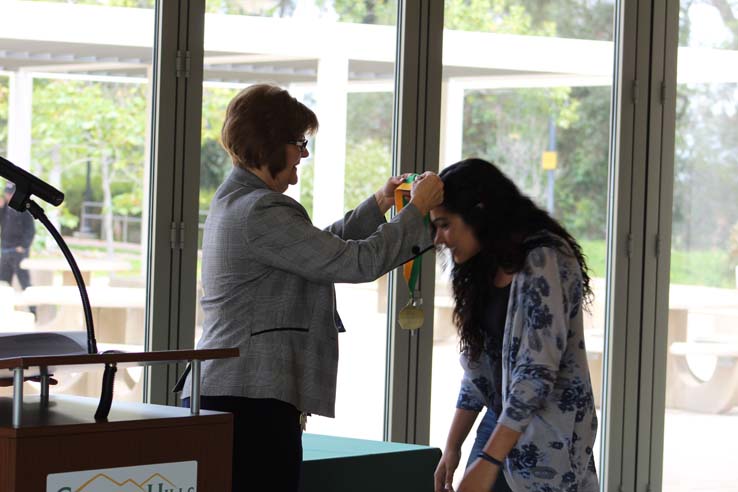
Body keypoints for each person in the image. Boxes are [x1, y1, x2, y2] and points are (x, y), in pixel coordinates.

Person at [179, 83, 443, 492]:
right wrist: (416, 212)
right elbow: (355, 262)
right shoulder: (261, 208)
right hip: (249, 402)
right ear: (270, 143)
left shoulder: (238, 200)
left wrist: (379, 204)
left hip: (234, 397)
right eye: (299, 142)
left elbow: (318, 249)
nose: (304, 153)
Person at [432, 158, 598, 492]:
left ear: (478, 214)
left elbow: (536, 371)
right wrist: (453, 445)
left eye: (445, 225)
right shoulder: (482, 265)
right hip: (501, 423)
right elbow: (480, 365)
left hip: (548, 434)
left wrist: (489, 461)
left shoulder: (543, 259)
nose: (439, 239)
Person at [0, 183, 36, 293]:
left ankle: (33, 309)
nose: (8, 196)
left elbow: (30, 230)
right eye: (7, 193)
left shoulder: (24, 209)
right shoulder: (4, 208)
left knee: (24, 281)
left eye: (10, 194)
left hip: (18, 250)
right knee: (3, 281)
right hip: (6, 248)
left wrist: (23, 246)